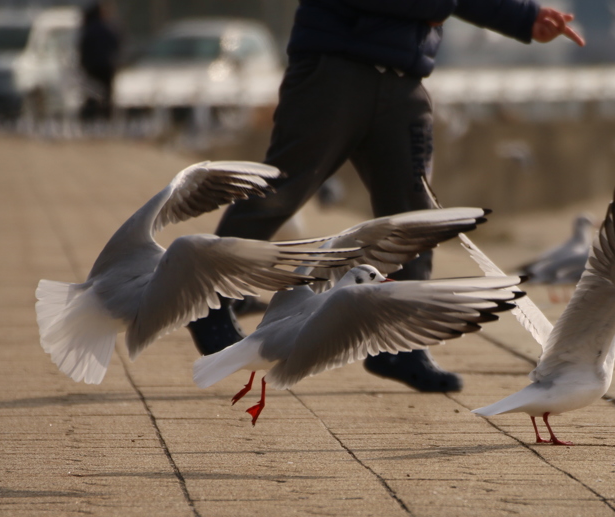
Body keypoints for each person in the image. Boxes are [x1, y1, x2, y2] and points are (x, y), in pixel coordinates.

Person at [188, 0, 584, 393]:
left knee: (414, 216)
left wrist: (526, 17)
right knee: (280, 192)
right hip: (334, 69)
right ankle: (206, 298)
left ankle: (398, 344)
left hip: (403, 81)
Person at [78, 1, 121, 121]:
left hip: (90, 67)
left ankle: (90, 115)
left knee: (91, 92)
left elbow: (82, 48)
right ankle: (106, 115)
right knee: (107, 94)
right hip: (106, 66)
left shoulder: (87, 28)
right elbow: (116, 43)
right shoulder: (106, 27)